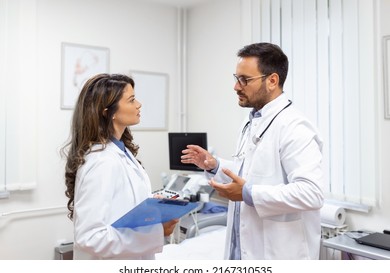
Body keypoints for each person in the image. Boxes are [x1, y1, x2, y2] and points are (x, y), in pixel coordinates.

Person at [181, 43, 324, 260]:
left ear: (272, 81)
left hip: (281, 253)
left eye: (244, 80)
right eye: (236, 78)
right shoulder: (251, 123)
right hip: (243, 249)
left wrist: (249, 193)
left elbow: (311, 193)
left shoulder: (295, 127)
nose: (236, 87)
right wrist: (214, 165)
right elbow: (250, 174)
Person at [61, 73, 178, 260]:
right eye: (131, 100)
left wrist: (152, 206)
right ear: (109, 112)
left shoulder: (120, 152)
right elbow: (90, 237)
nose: (139, 104)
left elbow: (122, 206)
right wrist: (155, 233)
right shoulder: (102, 162)